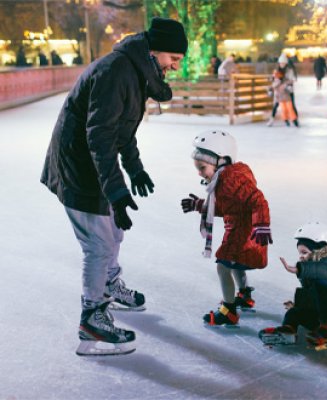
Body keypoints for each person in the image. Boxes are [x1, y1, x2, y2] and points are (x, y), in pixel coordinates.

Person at [40, 17, 188, 355]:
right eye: (173, 59)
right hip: (79, 167)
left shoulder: (135, 71)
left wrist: (134, 170)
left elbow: (122, 130)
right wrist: (117, 192)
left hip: (95, 165)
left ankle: (108, 283)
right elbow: (100, 136)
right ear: (153, 52)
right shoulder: (117, 72)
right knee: (99, 243)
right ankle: (92, 319)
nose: (175, 67)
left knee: (113, 234)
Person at [181, 130, 272, 327]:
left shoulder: (232, 179)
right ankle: (244, 295)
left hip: (245, 233)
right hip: (239, 230)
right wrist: (199, 205)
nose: (199, 173)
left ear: (221, 160)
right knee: (234, 264)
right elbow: (225, 206)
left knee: (224, 266)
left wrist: (262, 226)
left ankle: (229, 310)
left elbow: (258, 201)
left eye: (202, 167)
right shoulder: (227, 178)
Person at [259, 222, 327, 347]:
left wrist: (300, 269)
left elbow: (323, 270)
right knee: (294, 312)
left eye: (304, 252)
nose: (301, 257)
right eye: (299, 253)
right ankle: (288, 331)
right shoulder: (310, 268)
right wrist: (299, 306)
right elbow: (313, 294)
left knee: (321, 284)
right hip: (322, 315)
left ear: (319, 250)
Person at [267, 53, 298, 127]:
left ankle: (295, 120)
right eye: (281, 63)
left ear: (286, 63)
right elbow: (274, 79)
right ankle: (273, 119)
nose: (282, 64)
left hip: (287, 90)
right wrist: (272, 84)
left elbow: (293, 79)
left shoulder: (289, 70)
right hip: (279, 92)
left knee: (291, 105)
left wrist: (285, 84)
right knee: (276, 105)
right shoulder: (277, 71)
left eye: (283, 63)